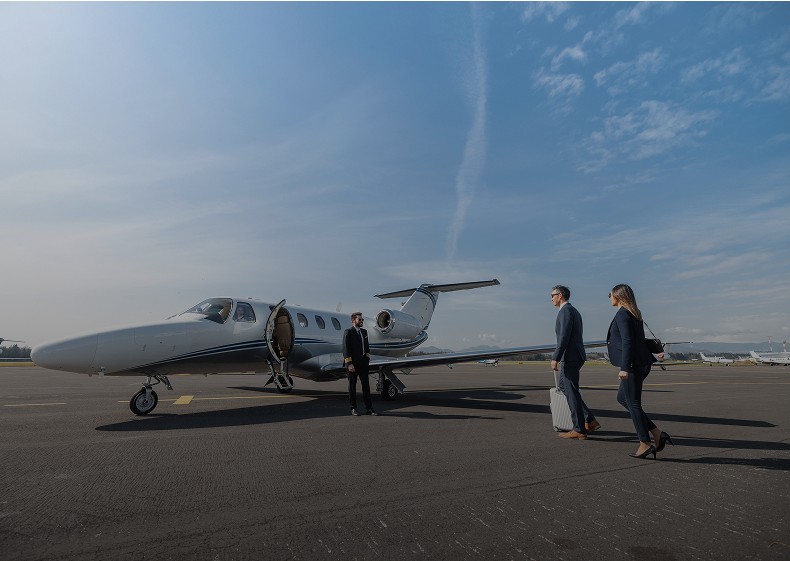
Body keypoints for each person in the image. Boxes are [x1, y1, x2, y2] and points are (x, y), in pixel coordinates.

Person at [607, 284, 673, 459]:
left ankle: (645, 443)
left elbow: (628, 342)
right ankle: (657, 433)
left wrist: (625, 367)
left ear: (618, 296)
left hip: (633, 365)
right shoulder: (635, 314)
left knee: (634, 403)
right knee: (622, 399)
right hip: (642, 362)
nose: (609, 298)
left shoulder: (622, 314)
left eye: (610, 295)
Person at [551, 285, 599, 440]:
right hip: (574, 355)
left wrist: (556, 357)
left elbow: (563, 337)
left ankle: (579, 429)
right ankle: (589, 421)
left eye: (552, 295)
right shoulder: (573, 311)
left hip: (570, 356)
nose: (551, 298)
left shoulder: (566, 311)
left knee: (570, 391)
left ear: (560, 296)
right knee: (567, 388)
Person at [343, 312, 376, 416]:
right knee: (352, 386)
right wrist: (349, 363)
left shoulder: (364, 332)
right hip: (353, 364)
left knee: (366, 386)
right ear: (353, 321)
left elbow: (367, 347)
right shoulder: (348, 332)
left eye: (362, 320)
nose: (362, 321)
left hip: (363, 363)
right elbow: (345, 349)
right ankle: (353, 408)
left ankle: (369, 408)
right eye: (359, 320)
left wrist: (366, 360)